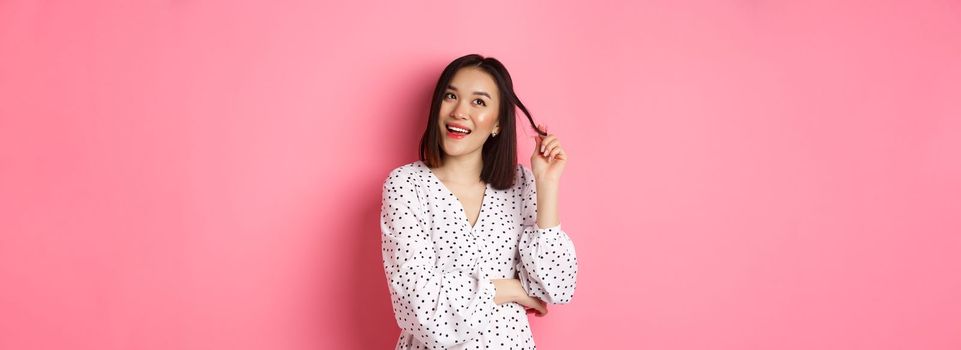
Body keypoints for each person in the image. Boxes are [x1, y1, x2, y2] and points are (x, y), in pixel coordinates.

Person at [380, 53, 578, 349]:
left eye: (479, 102)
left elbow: (556, 286)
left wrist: (546, 184)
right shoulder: (406, 186)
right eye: (451, 96)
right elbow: (419, 307)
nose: (459, 111)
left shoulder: (521, 184)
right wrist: (511, 289)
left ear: (497, 123)